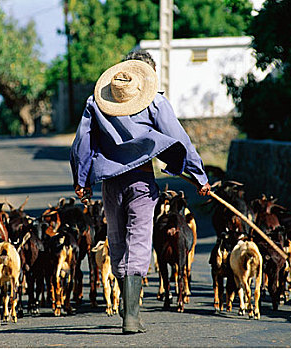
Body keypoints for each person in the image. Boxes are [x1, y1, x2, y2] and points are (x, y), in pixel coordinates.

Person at [70, 50, 211, 334]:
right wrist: (198, 176)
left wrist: (81, 181)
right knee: (139, 242)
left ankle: (126, 305)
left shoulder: (96, 103)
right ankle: (131, 315)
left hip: (111, 184)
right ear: (147, 77)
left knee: (117, 241)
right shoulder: (155, 102)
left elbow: (81, 143)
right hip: (142, 183)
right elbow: (179, 137)